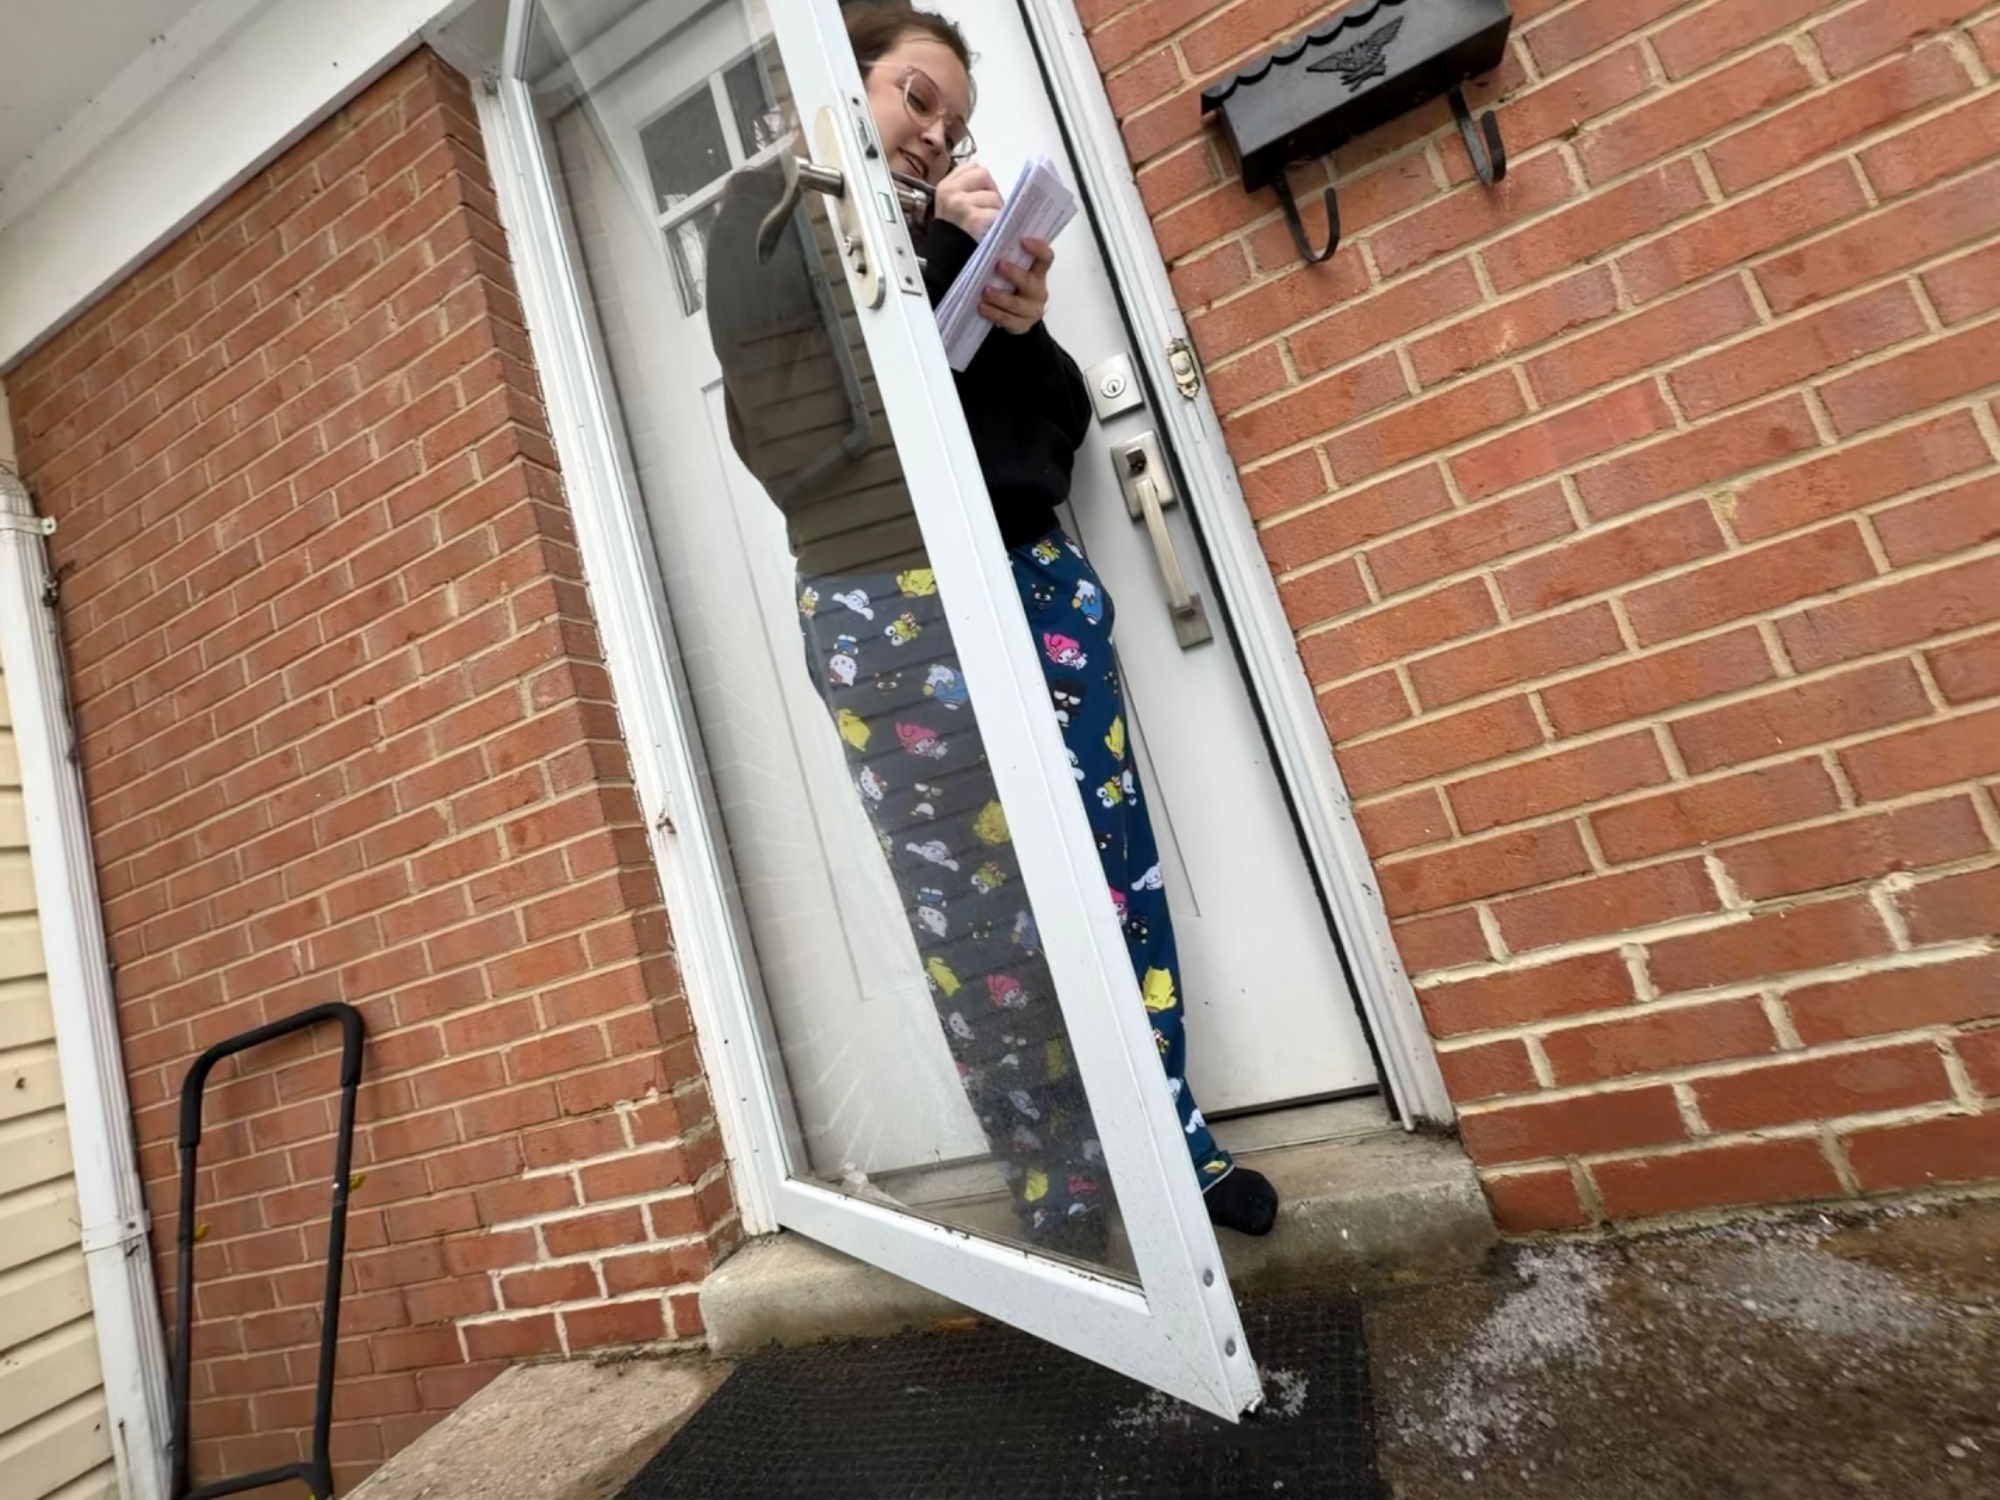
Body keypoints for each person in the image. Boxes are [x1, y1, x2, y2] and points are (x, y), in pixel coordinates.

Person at [704, 2, 1277, 1258]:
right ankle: (1060, 1190)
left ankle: (1173, 1139)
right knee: (975, 920)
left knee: (1112, 870)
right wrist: (929, 242)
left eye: (953, 121)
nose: (934, 131)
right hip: (883, 604)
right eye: (915, 97)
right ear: (838, 79)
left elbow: (1048, 427)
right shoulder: (764, 216)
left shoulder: (949, 236)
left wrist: (1012, 324)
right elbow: (803, 429)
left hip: (1027, 569)